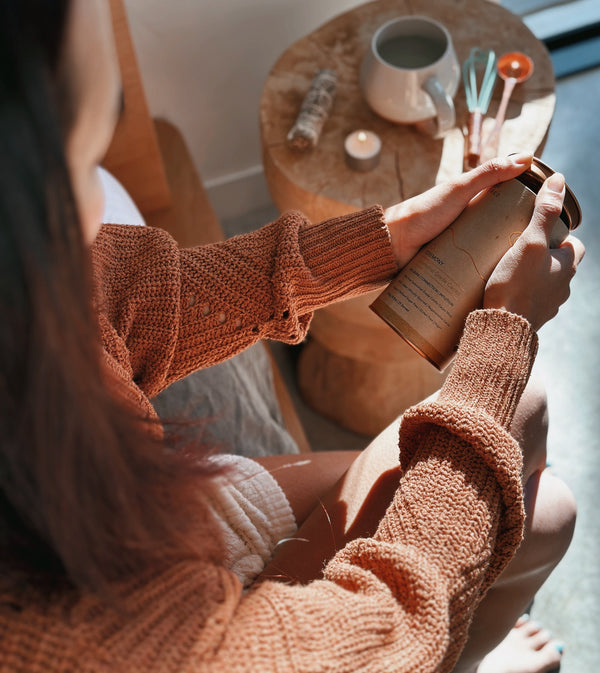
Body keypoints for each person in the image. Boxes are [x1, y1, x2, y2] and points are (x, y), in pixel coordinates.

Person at [0, 1, 585, 672]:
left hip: (128, 522)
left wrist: (379, 243)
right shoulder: (68, 633)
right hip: (185, 619)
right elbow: (383, 640)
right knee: (543, 495)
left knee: (527, 436)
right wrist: (501, 343)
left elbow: (124, 299)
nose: (100, 210)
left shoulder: (30, 280)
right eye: (78, 168)